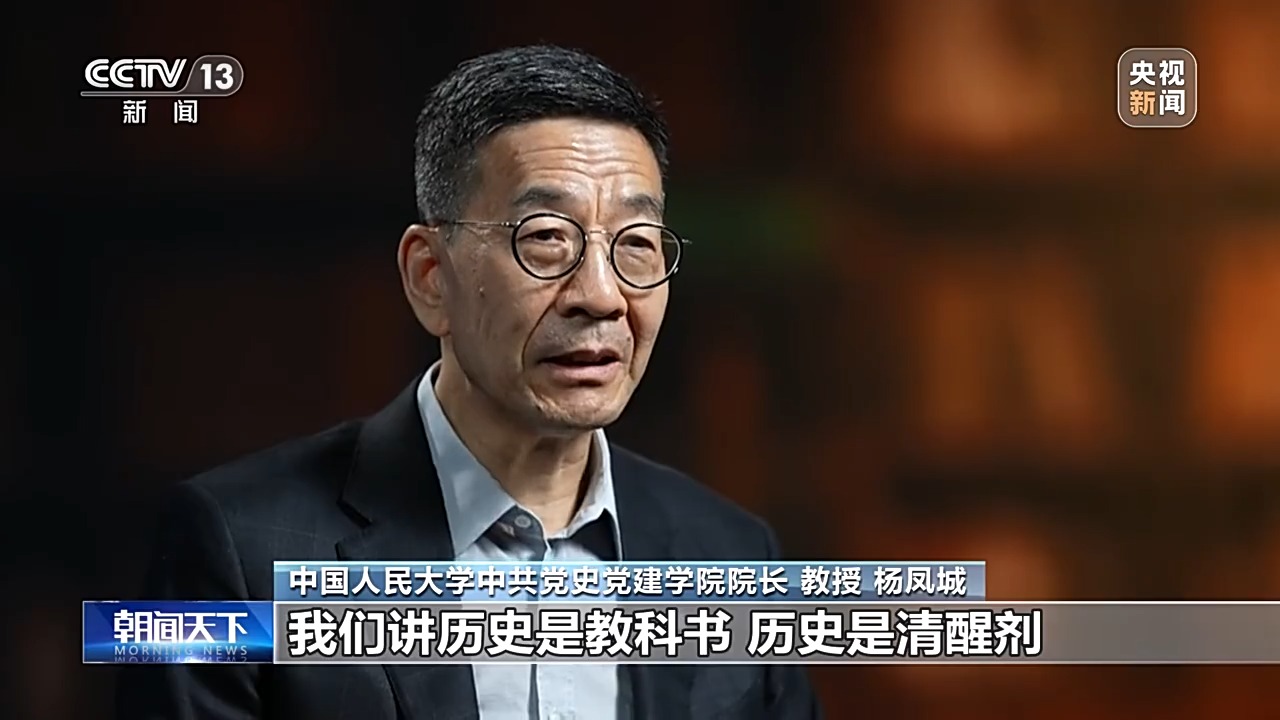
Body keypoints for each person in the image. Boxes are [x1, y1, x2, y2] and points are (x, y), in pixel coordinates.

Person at [116, 44, 821, 720]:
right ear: (431, 277)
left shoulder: (731, 553)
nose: (602, 296)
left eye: (635, 244)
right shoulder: (238, 548)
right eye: (546, 237)